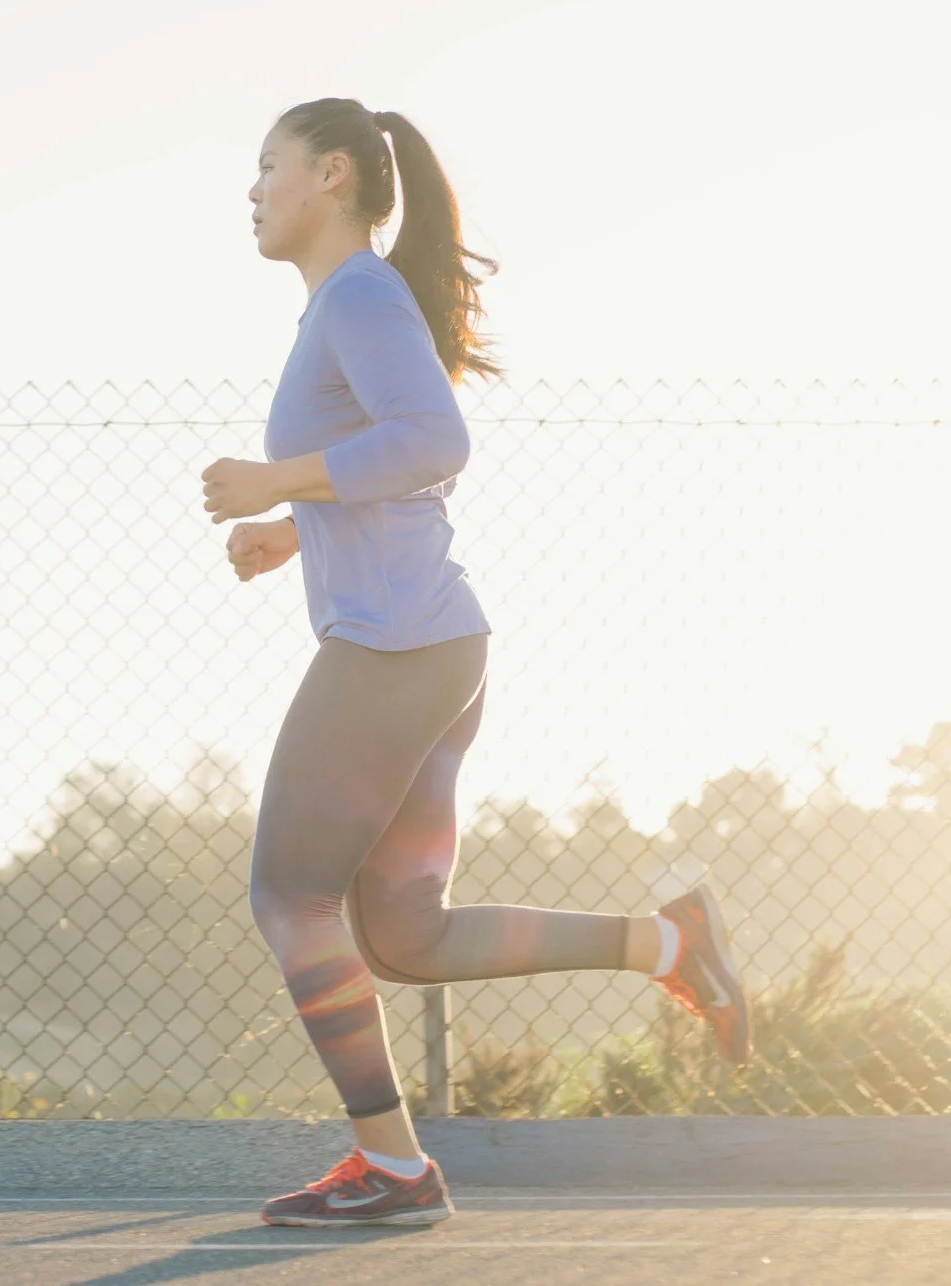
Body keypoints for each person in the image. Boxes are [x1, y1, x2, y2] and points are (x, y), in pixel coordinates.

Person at [201, 97, 752, 1229]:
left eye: (269, 166)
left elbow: (435, 441)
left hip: (396, 647)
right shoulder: (345, 305)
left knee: (290, 893)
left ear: (335, 176)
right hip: (434, 644)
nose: (250, 190)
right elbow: (399, 468)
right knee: (403, 932)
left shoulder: (355, 292)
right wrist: (293, 526)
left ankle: (395, 1168)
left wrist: (276, 480)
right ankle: (670, 941)